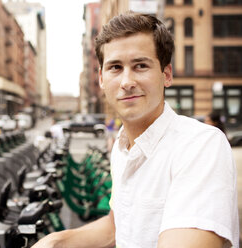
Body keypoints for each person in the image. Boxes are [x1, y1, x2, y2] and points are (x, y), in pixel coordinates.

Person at [32, 12, 238, 248]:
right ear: (101, 78)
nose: (126, 81)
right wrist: (54, 241)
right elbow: (117, 225)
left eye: (140, 65)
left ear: (166, 74)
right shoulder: (122, 148)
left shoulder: (200, 145)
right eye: (115, 67)